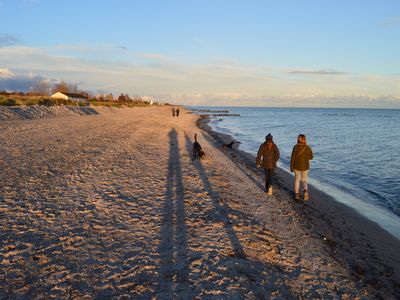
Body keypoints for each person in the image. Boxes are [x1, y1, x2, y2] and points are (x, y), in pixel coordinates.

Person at [290, 134, 313, 201]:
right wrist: (305, 157)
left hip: (297, 166)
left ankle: (297, 194)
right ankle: (305, 191)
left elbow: (292, 158)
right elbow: (311, 157)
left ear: (298, 139)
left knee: (297, 180)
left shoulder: (295, 147)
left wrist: (291, 167)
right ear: (304, 139)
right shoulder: (307, 147)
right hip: (305, 166)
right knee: (304, 180)